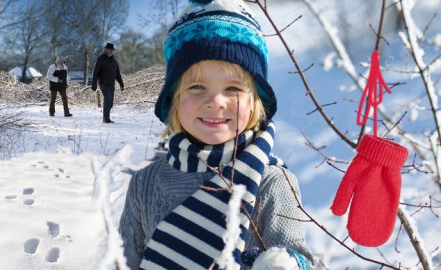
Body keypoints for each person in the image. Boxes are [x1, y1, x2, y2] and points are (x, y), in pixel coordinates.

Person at [119, 0, 315, 269]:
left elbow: (299, 255)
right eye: (197, 86)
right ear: (173, 100)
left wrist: (285, 263)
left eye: (233, 88)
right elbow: (125, 261)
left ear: (256, 101)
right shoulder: (144, 185)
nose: (215, 101)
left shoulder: (272, 182)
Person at [91, 42, 124, 123]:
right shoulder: (101, 59)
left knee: (111, 102)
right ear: (106, 50)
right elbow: (95, 72)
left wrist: (121, 84)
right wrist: (94, 84)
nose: (111, 51)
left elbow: (117, 74)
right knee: (108, 98)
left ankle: (106, 116)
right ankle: (106, 118)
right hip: (103, 83)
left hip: (111, 84)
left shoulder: (114, 61)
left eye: (112, 50)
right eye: (109, 49)